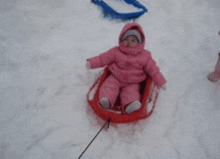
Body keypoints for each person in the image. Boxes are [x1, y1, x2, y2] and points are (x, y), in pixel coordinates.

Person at [86, 23, 167, 114]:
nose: (129, 42)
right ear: (121, 39)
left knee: (131, 93)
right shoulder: (116, 51)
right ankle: (106, 100)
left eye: (133, 40)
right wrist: (91, 63)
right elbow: (103, 58)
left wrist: (161, 82)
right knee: (109, 86)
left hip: (133, 81)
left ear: (139, 43)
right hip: (116, 77)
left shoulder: (144, 56)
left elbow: (153, 70)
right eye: (126, 39)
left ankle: (130, 105)